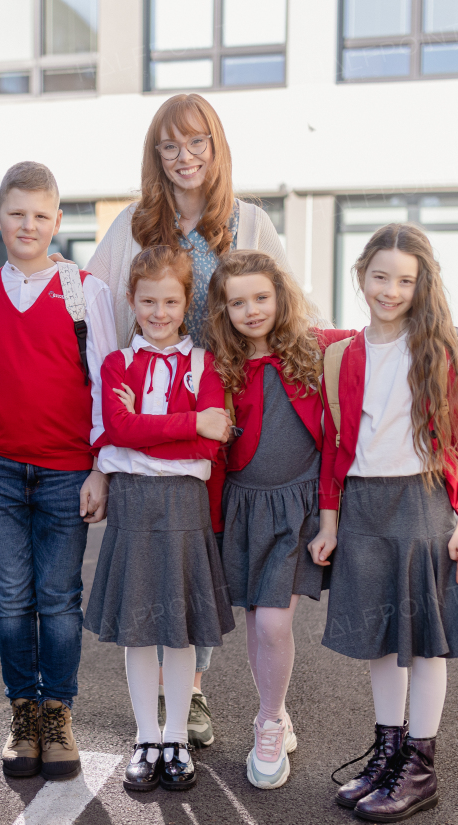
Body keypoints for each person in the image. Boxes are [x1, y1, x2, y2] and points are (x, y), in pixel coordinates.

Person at [85, 92, 292, 747]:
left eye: (197, 142)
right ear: (156, 156)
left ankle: (272, 710)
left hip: (237, 411)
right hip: (163, 425)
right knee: (178, 553)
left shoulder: (251, 223)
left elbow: (292, 314)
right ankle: (190, 698)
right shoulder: (133, 227)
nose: (184, 157)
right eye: (169, 146)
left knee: (238, 561)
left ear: (217, 147)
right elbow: (94, 315)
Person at [309, 223, 458, 823]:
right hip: (362, 506)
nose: (390, 290)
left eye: (405, 281)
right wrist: (330, 521)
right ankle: (388, 752)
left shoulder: (438, 350)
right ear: (361, 276)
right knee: (380, 639)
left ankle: (420, 766)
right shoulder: (341, 353)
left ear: (422, 286)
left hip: (422, 505)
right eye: (380, 277)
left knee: (424, 642)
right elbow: (335, 446)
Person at [0, 161, 117, 781]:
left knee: (59, 598)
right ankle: (23, 714)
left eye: (41, 215)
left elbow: (104, 381)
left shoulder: (82, 290)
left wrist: (101, 469)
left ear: (57, 222)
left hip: (67, 470)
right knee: (12, 599)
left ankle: (58, 713)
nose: (28, 225)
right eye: (16, 213)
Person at [203, 249, 357, 789]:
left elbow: (384, 336)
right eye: (237, 302)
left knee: (274, 623)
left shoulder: (319, 347)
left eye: (261, 297)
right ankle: (273, 710)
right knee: (257, 624)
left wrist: (453, 338)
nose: (251, 310)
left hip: (301, 507)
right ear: (222, 310)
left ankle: (269, 721)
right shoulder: (217, 364)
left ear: (280, 296)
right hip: (244, 508)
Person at [85, 246, 235, 793]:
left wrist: (155, 426)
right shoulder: (116, 364)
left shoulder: (205, 365)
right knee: (140, 628)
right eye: (148, 301)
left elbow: (210, 444)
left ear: (186, 301)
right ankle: (146, 736)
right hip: (133, 503)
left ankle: (175, 736)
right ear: (132, 300)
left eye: (170, 301)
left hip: (184, 505)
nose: (159, 312)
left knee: (181, 630)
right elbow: (117, 430)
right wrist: (187, 422)